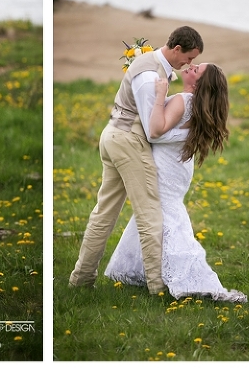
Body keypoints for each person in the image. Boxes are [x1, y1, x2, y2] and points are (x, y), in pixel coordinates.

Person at [69, 26, 203, 294]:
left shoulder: (155, 67)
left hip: (114, 137)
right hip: (128, 142)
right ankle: (157, 287)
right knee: (150, 214)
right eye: (189, 58)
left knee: (104, 212)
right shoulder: (149, 76)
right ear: (177, 49)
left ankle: (81, 280)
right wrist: (189, 135)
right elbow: (153, 132)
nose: (189, 64)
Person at [105, 63, 247, 303]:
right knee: (157, 212)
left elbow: (156, 130)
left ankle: (185, 273)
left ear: (198, 84)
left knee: (164, 214)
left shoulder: (183, 100)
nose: (191, 66)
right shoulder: (195, 104)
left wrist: (161, 94)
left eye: (196, 69)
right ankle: (147, 270)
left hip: (167, 168)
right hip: (178, 167)